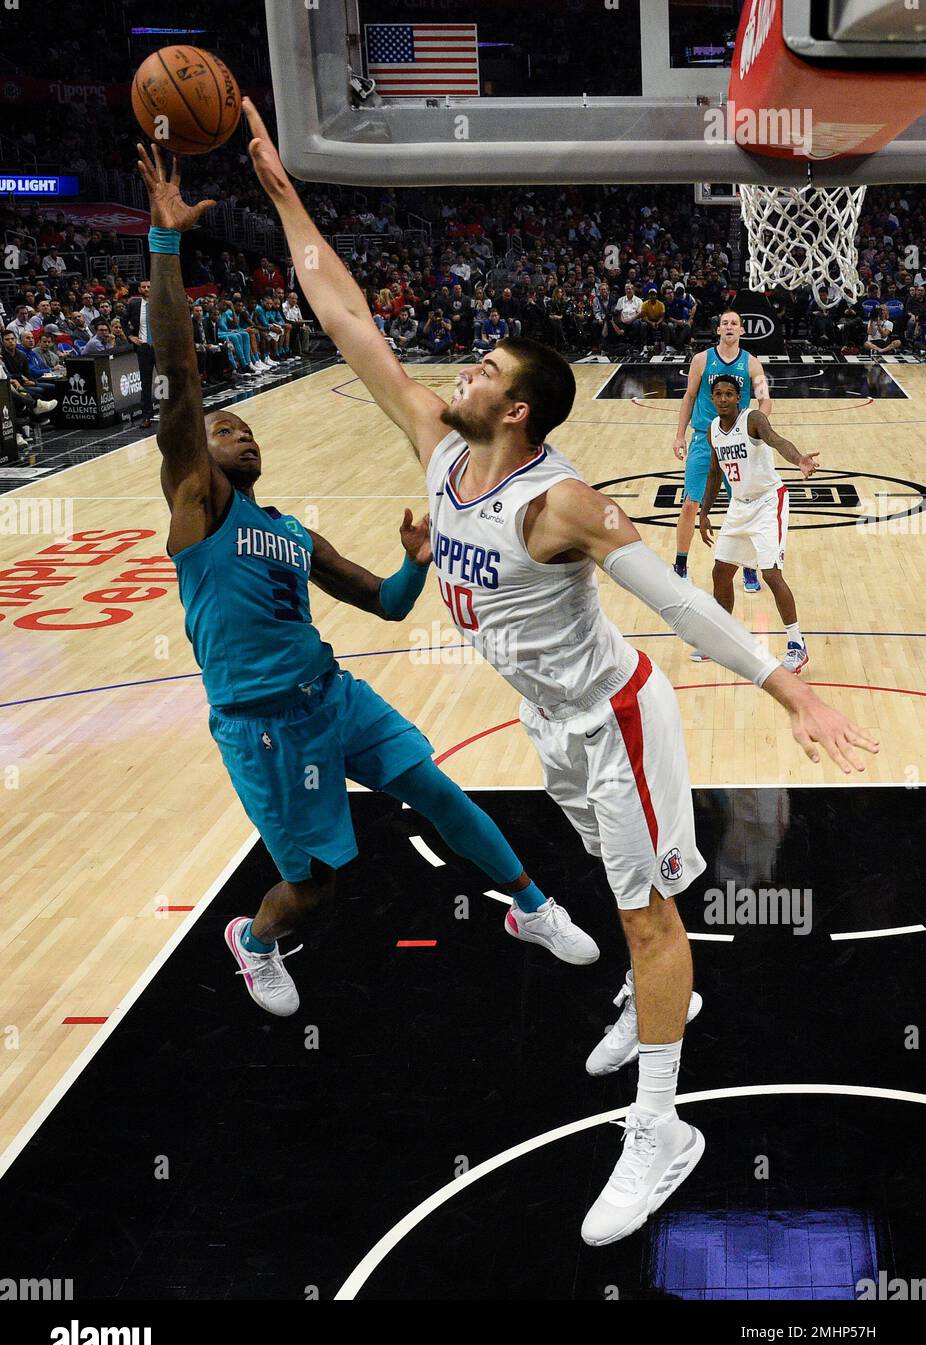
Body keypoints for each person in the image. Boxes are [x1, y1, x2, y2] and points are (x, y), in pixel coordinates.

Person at [242, 97, 879, 1244]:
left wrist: (785, 687)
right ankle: (649, 994)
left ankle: (658, 1129)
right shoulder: (441, 451)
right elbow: (346, 320)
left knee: (646, 919)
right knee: (637, 894)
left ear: (516, 407)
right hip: (551, 726)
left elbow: (678, 598)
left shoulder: (560, 505)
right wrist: (284, 192)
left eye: (481, 367)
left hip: (613, 718)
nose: (461, 370)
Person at [135, 141, 596, 1019]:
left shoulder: (290, 534)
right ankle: (255, 939)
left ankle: (532, 909)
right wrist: (165, 244)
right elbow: (180, 376)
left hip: (331, 695)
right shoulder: (197, 503)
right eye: (229, 429)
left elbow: (384, 604)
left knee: (436, 787)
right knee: (315, 891)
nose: (242, 436)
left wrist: (417, 566)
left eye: (246, 430)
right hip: (264, 727)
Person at [696, 376, 817, 673]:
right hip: (739, 505)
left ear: (739, 397)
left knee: (771, 574)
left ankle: (796, 645)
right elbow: (714, 473)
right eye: (718, 394)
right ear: (712, 398)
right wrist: (704, 512)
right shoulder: (713, 429)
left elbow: (776, 441)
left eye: (729, 394)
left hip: (767, 501)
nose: (723, 398)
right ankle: (721, 640)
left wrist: (799, 458)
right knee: (721, 571)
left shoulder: (753, 419)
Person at [673, 310, 769, 594]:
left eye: (734, 324)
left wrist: (758, 431)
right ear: (718, 330)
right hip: (704, 438)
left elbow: (765, 401)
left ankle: (749, 569)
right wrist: (679, 435)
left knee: (744, 505)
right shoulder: (701, 360)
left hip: (738, 443)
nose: (729, 327)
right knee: (691, 503)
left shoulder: (753, 364)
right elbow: (689, 396)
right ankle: (680, 565)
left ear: (742, 330)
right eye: (724, 323)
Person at [124, 280, 157, 428]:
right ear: (139, 289)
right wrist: (130, 336)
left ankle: (167, 413)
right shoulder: (134, 305)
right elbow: (123, 321)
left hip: (160, 348)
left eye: (149, 286)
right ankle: (146, 416)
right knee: (145, 382)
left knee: (163, 380)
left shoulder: (161, 303)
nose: (146, 289)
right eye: (143, 287)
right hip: (144, 347)